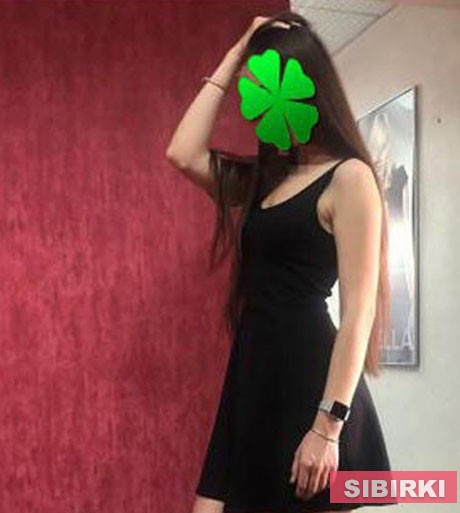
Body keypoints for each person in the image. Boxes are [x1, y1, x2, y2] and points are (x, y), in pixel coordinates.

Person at [166, 10, 396, 513]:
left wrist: (327, 427)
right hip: (252, 370)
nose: (257, 103)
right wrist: (236, 54)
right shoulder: (266, 179)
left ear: (303, 89)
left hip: (308, 379)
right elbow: (182, 153)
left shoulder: (349, 178)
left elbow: (358, 312)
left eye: (268, 85)